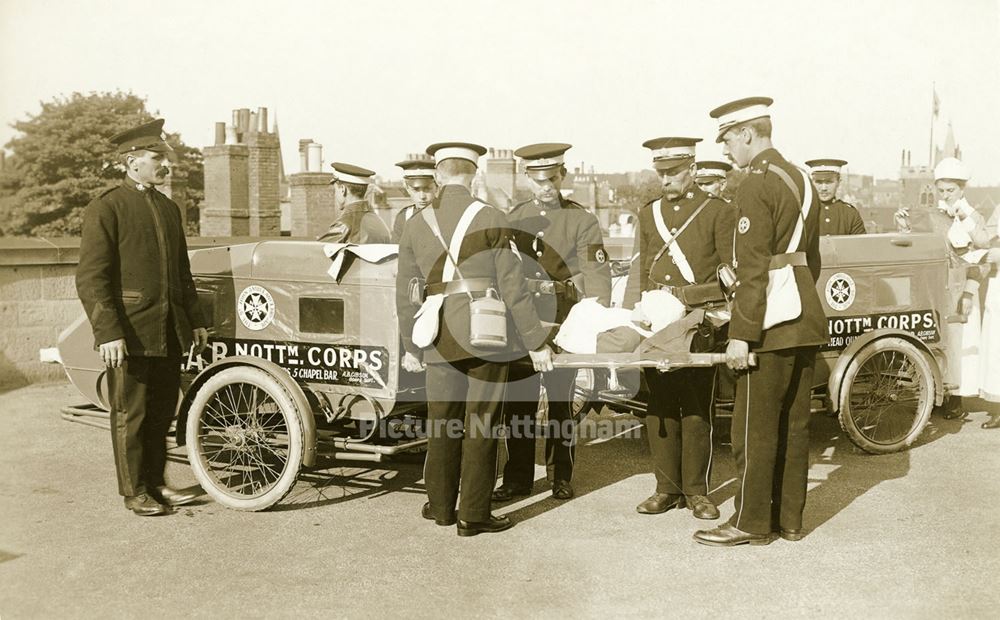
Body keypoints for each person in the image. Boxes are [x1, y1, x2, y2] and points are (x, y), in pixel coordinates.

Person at [395, 141, 553, 536]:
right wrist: (536, 342)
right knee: (481, 424)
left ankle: (442, 508)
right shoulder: (491, 216)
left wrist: (411, 346)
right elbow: (513, 287)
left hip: (435, 334)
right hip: (485, 333)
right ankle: (473, 515)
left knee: (442, 423)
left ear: (438, 174)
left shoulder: (416, 222)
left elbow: (404, 292)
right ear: (474, 173)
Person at [694, 97, 828, 547]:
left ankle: (750, 523)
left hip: (770, 319)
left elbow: (753, 268)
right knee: (794, 425)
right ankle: (789, 520)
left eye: (729, 139)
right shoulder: (803, 179)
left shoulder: (754, 183)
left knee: (754, 427)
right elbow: (813, 258)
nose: (728, 149)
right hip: (805, 314)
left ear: (748, 133)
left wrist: (742, 335)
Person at [76, 118, 209, 516]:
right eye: (156, 158)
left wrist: (196, 320)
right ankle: (135, 491)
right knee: (130, 413)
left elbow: (182, 274)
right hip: (129, 332)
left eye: (163, 158)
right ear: (131, 162)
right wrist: (108, 333)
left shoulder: (169, 209)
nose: (164, 165)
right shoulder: (107, 207)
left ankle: (157, 483)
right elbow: (91, 279)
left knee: (160, 412)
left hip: (168, 330)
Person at [621, 137, 734, 520]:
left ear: (692, 169)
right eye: (661, 172)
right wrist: (632, 313)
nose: (666, 179)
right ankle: (666, 488)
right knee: (659, 406)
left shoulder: (718, 211)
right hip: (657, 319)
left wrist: (689, 294)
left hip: (698, 320)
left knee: (696, 405)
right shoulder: (649, 212)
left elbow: (730, 277)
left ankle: (697, 492)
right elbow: (640, 270)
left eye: (673, 172)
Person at [492, 143, 611, 502]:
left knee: (561, 402)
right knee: (519, 402)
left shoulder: (582, 220)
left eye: (552, 178)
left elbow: (598, 276)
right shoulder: (514, 218)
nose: (546, 186)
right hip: (523, 321)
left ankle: (561, 475)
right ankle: (517, 479)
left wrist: (594, 321)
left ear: (563, 175)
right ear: (528, 178)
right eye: (539, 179)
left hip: (565, 321)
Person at [895, 157, 990, 419]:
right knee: (936, 339)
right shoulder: (931, 217)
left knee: (960, 344)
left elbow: (982, 257)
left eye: (951, 190)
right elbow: (917, 246)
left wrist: (970, 290)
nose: (946, 195)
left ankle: (957, 397)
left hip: (962, 288)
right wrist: (904, 226)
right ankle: (939, 393)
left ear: (962, 190)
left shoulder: (974, 218)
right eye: (942, 190)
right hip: (936, 287)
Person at [318, 162, 392, 244]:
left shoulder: (344, 224)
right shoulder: (379, 222)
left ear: (343, 189)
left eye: (335, 190)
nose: (335, 195)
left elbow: (319, 253)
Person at [805, 158, 866, 236]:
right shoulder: (804, 212)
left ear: (838, 182)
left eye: (829, 182)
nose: (824, 188)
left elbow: (860, 245)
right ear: (811, 182)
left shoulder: (850, 214)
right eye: (819, 182)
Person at [391, 155, 437, 243]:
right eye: (416, 190)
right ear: (407, 188)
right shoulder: (404, 216)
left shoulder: (445, 213)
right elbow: (396, 250)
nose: (422, 196)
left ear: (437, 186)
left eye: (427, 189)